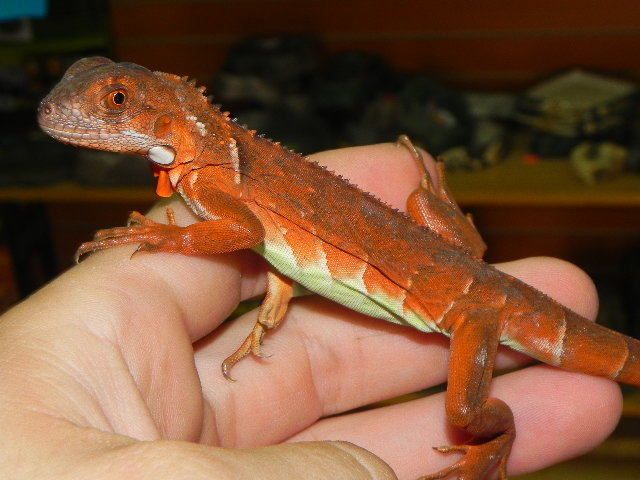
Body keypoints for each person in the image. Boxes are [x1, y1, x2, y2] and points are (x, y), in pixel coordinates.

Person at [0, 143, 621, 479]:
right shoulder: (212, 172)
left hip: (473, 307)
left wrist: (166, 238)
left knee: (464, 412)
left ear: (166, 119)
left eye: (117, 103)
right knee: (406, 201)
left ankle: (498, 439)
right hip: (459, 277)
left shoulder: (219, 180)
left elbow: (238, 230)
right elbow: (264, 243)